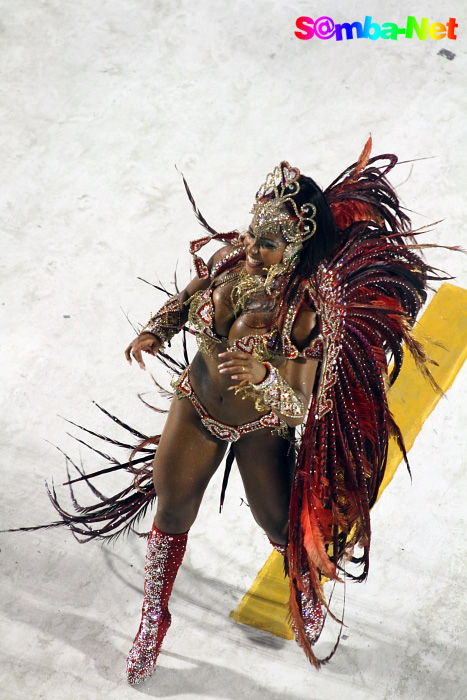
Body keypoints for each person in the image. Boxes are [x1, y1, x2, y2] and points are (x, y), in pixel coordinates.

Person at [7, 138, 445, 683]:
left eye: (265, 242)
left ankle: (302, 586)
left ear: (294, 247)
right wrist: (154, 330)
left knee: (279, 523)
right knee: (172, 510)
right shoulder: (230, 261)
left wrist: (264, 376)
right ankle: (153, 618)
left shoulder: (304, 312)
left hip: (261, 427)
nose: (250, 246)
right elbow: (191, 293)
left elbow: (301, 403)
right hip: (197, 408)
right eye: (252, 232)